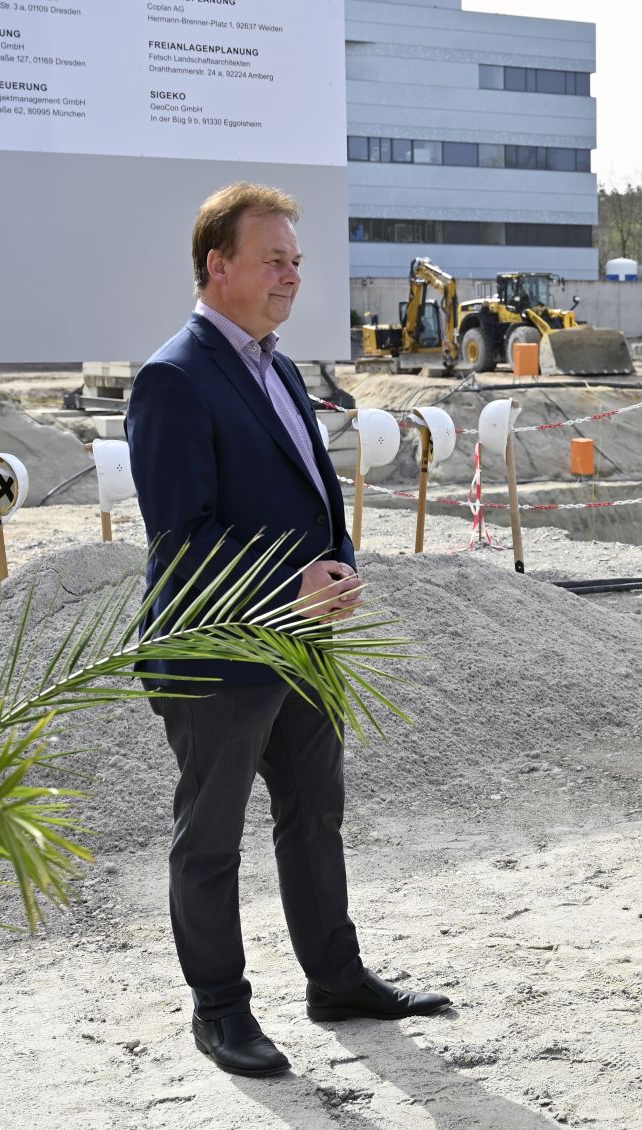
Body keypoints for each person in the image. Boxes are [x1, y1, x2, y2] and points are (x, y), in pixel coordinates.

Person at [127, 182, 450, 1078]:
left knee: (314, 814)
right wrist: (290, 583)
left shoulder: (278, 367)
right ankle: (221, 1012)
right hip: (218, 649)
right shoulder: (173, 377)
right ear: (217, 265)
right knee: (211, 837)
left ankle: (336, 981)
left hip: (303, 641)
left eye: (297, 262)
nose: (292, 277)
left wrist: (338, 564)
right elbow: (180, 537)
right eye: (274, 260)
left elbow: (312, 494)